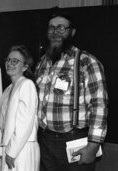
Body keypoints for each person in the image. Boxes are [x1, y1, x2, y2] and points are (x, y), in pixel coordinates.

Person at [34, 11, 108, 171]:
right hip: (44, 140)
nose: (55, 32)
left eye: (61, 28)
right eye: (52, 28)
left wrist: (93, 146)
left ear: (72, 32)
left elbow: (99, 106)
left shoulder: (86, 61)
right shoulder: (43, 63)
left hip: (73, 140)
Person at [0, 45, 40, 171]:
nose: (10, 63)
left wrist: (12, 152)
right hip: (8, 148)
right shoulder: (7, 90)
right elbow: (3, 126)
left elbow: (24, 124)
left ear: (25, 66)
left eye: (15, 61)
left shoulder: (27, 85)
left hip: (22, 149)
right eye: (8, 60)